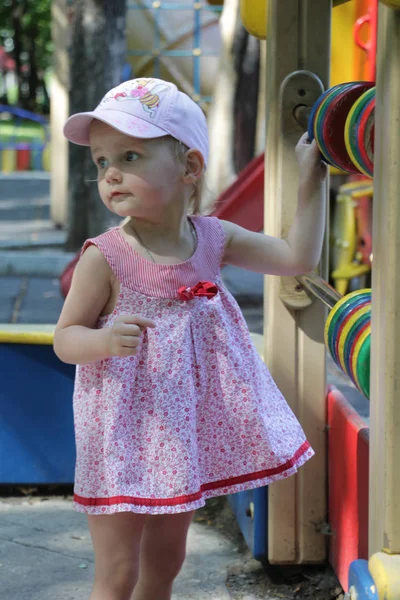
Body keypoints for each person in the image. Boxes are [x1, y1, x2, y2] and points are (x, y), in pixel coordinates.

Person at [54, 77, 326, 600]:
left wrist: (311, 179)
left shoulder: (213, 240)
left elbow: (297, 257)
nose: (110, 173)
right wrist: (105, 342)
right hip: (120, 440)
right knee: (117, 572)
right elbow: (66, 339)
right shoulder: (105, 257)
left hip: (180, 441)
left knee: (166, 564)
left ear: (190, 168)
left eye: (130, 156)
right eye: (101, 161)